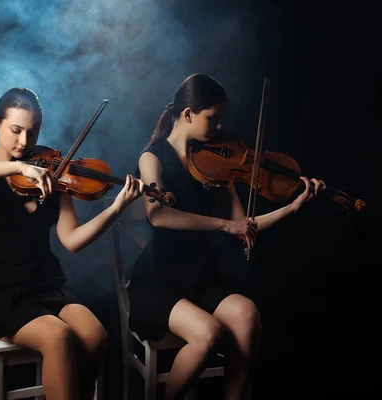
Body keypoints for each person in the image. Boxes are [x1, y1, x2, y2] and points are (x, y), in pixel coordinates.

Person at [127, 73, 326, 400]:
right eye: (212, 118)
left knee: (247, 315)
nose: (219, 128)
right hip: (159, 280)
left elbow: (243, 225)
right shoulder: (152, 158)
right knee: (207, 333)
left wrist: (293, 206)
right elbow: (157, 214)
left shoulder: (216, 164)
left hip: (201, 279)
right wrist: (223, 226)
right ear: (189, 114)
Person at [0, 87, 144, 400]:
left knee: (95, 335)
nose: (24, 142)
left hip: (44, 285)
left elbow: (72, 241)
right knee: (58, 336)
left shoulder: (53, 172)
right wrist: (18, 166)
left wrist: (115, 209)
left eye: (32, 133)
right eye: (16, 130)